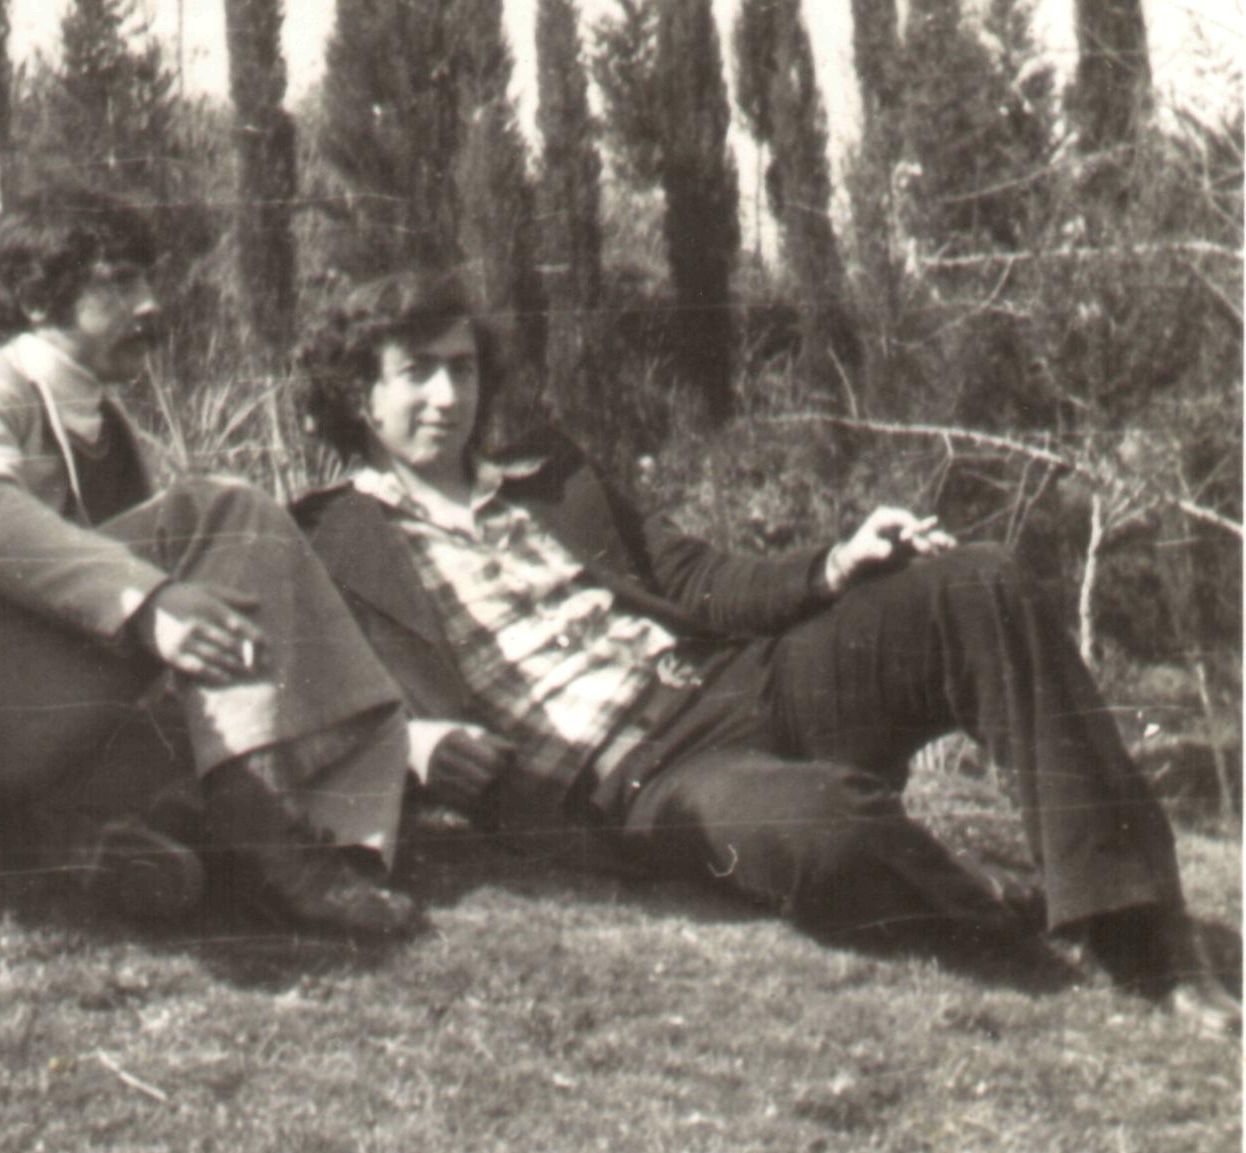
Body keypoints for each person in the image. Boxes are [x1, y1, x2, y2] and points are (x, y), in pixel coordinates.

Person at [292, 269, 1239, 1035]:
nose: (448, 395)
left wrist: (837, 563)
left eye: (462, 369)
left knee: (977, 582)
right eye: (417, 373)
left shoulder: (548, 474)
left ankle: (1138, 931)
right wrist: (410, 744)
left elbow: (695, 577)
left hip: (741, 682)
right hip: (643, 779)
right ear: (360, 394)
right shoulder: (334, 540)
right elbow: (304, 702)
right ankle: (999, 908)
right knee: (825, 832)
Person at [0, 188, 417, 938]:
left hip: (32, 726)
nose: (150, 305)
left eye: (148, 279)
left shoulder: (111, 425)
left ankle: (81, 843)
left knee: (244, 653)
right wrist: (149, 604)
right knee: (225, 511)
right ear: (35, 296)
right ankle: (270, 851)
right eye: (118, 283)